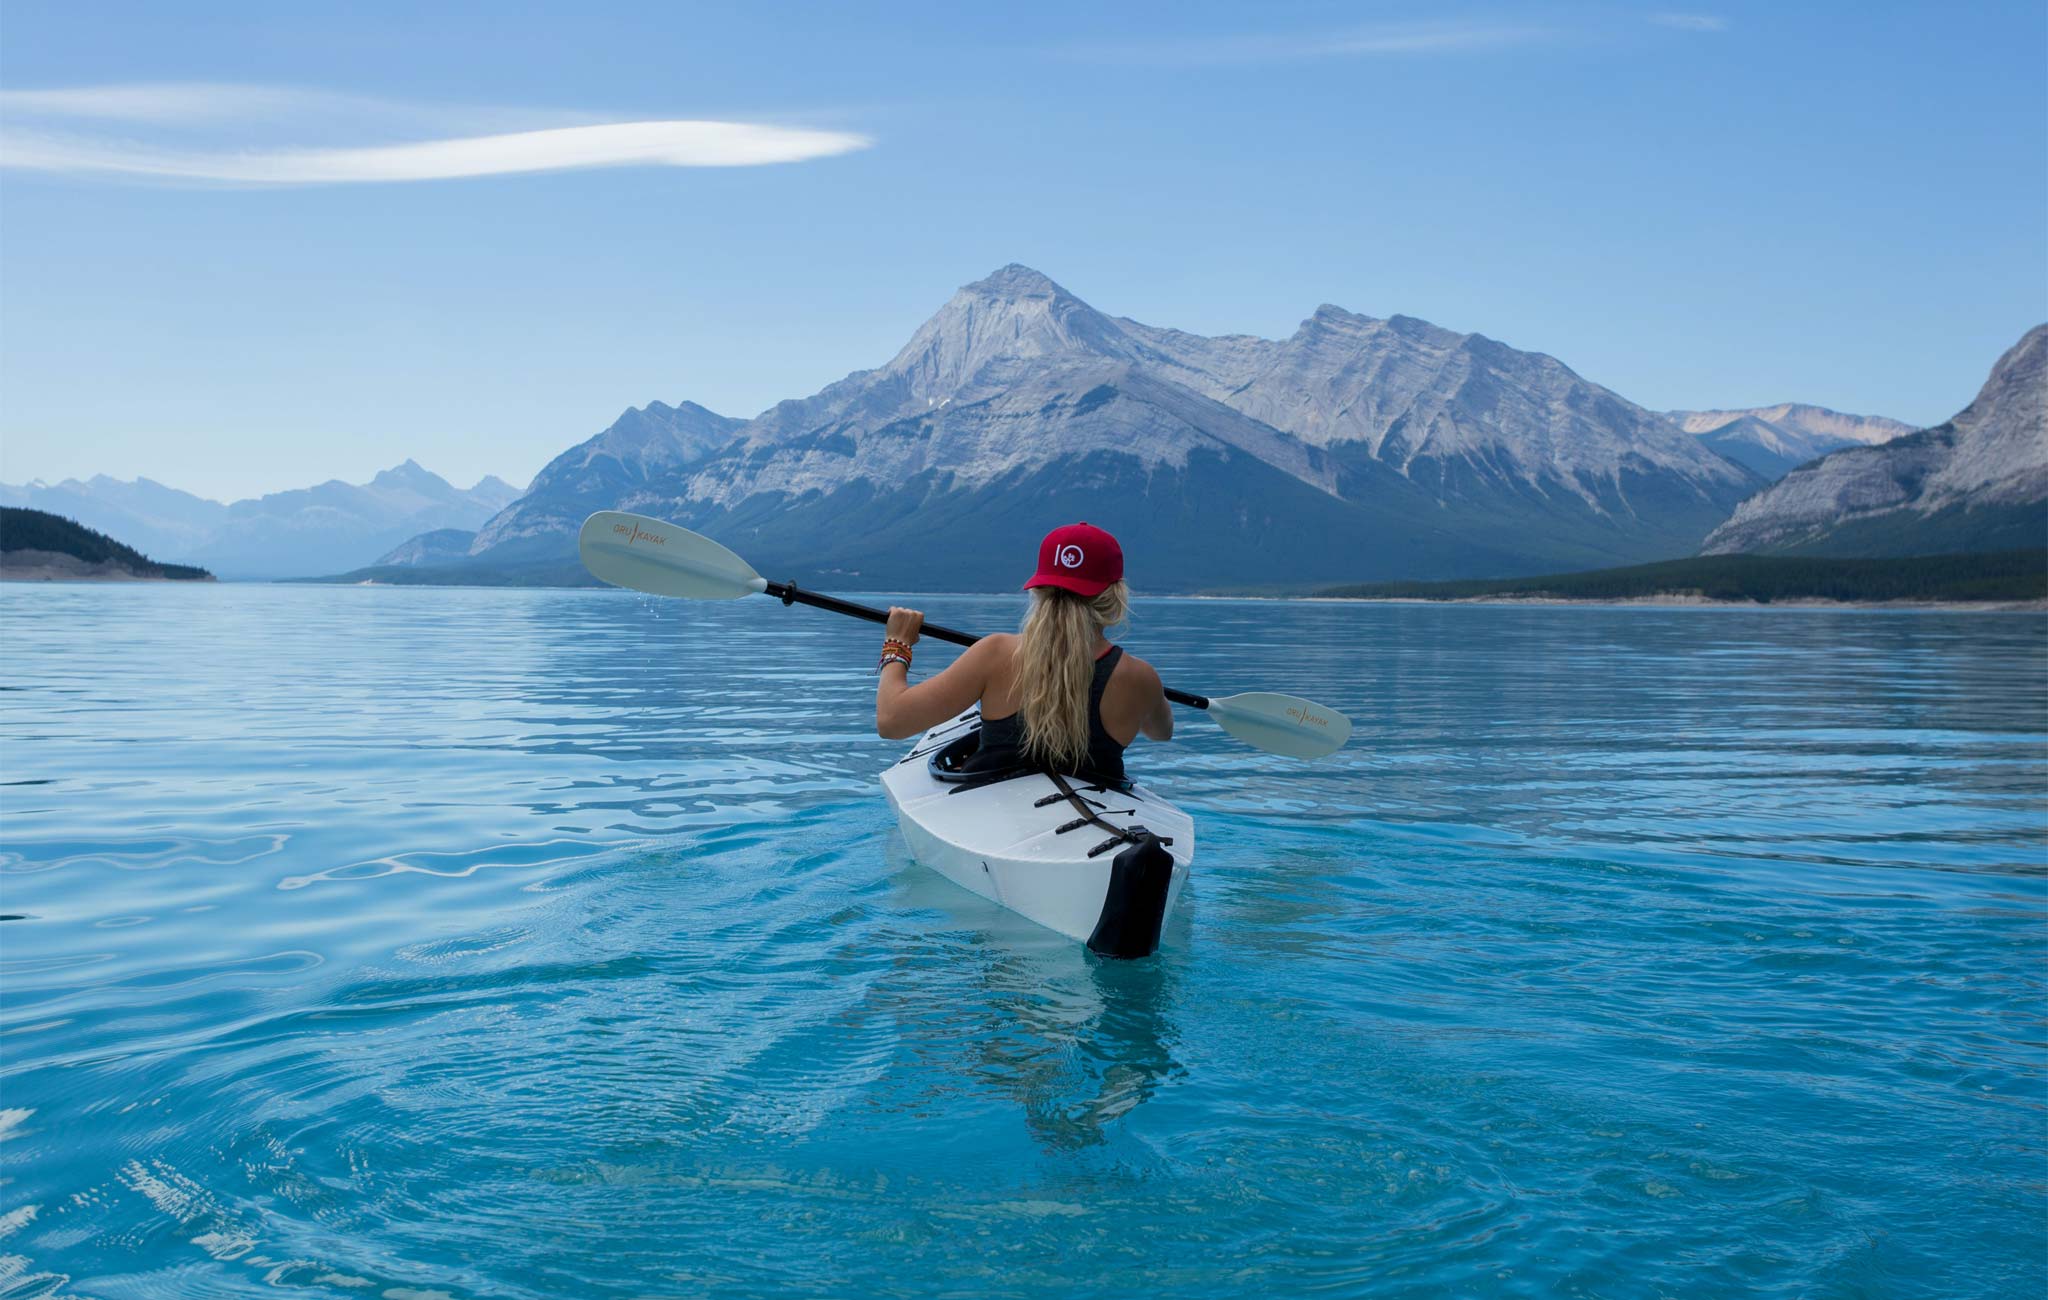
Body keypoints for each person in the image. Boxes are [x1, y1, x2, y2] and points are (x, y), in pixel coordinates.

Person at [874, 522, 1172, 783]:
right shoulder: (1140, 677)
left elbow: (891, 721)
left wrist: (897, 645)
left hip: (992, 808)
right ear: (1115, 596)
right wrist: (1148, 696)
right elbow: (1162, 733)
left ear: (1038, 589)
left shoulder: (996, 653)